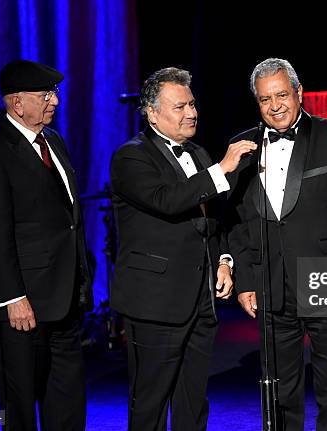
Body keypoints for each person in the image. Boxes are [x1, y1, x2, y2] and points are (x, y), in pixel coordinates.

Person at [226, 58, 327, 430]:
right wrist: (247, 280)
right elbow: (239, 220)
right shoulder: (241, 147)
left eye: (282, 95)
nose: (275, 105)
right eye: (265, 99)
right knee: (280, 388)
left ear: (299, 93)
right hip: (270, 283)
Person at [109, 67, 256, 431]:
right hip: (156, 302)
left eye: (192, 104)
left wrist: (223, 261)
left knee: (193, 399)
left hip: (200, 301)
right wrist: (222, 167)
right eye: (179, 107)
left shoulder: (198, 152)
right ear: (152, 113)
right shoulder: (132, 157)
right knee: (151, 401)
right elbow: (167, 200)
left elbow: (213, 219)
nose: (191, 112)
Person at [0, 60, 93, 430]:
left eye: (54, 94)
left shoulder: (53, 141)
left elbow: (67, 218)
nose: (54, 101)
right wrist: (13, 297)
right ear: (17, 104)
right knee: (20, 405)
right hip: (20, 307)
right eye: (45, 95)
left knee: (68, 400)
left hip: (64, 298)